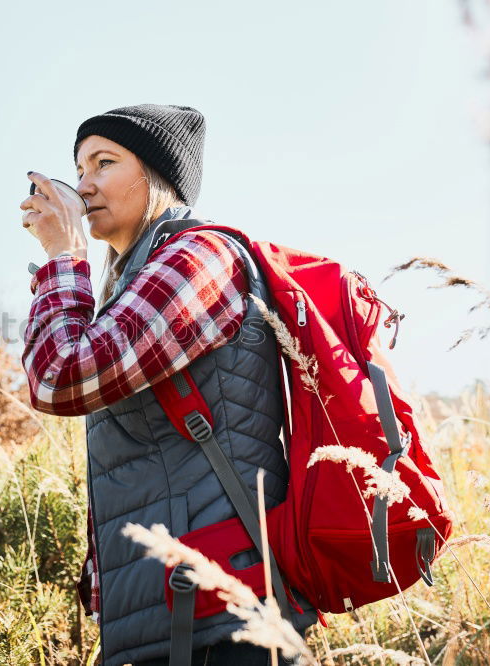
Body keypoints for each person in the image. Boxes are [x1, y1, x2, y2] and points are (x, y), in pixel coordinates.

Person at [20, 104, 317, 666]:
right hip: (171, 618)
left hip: (225, 620)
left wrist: (64, 257)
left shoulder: (199, 258)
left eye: (103, 163)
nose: (83, 186)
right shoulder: (130, 283)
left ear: (158, 177)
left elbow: (60, 376)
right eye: (79, 169)